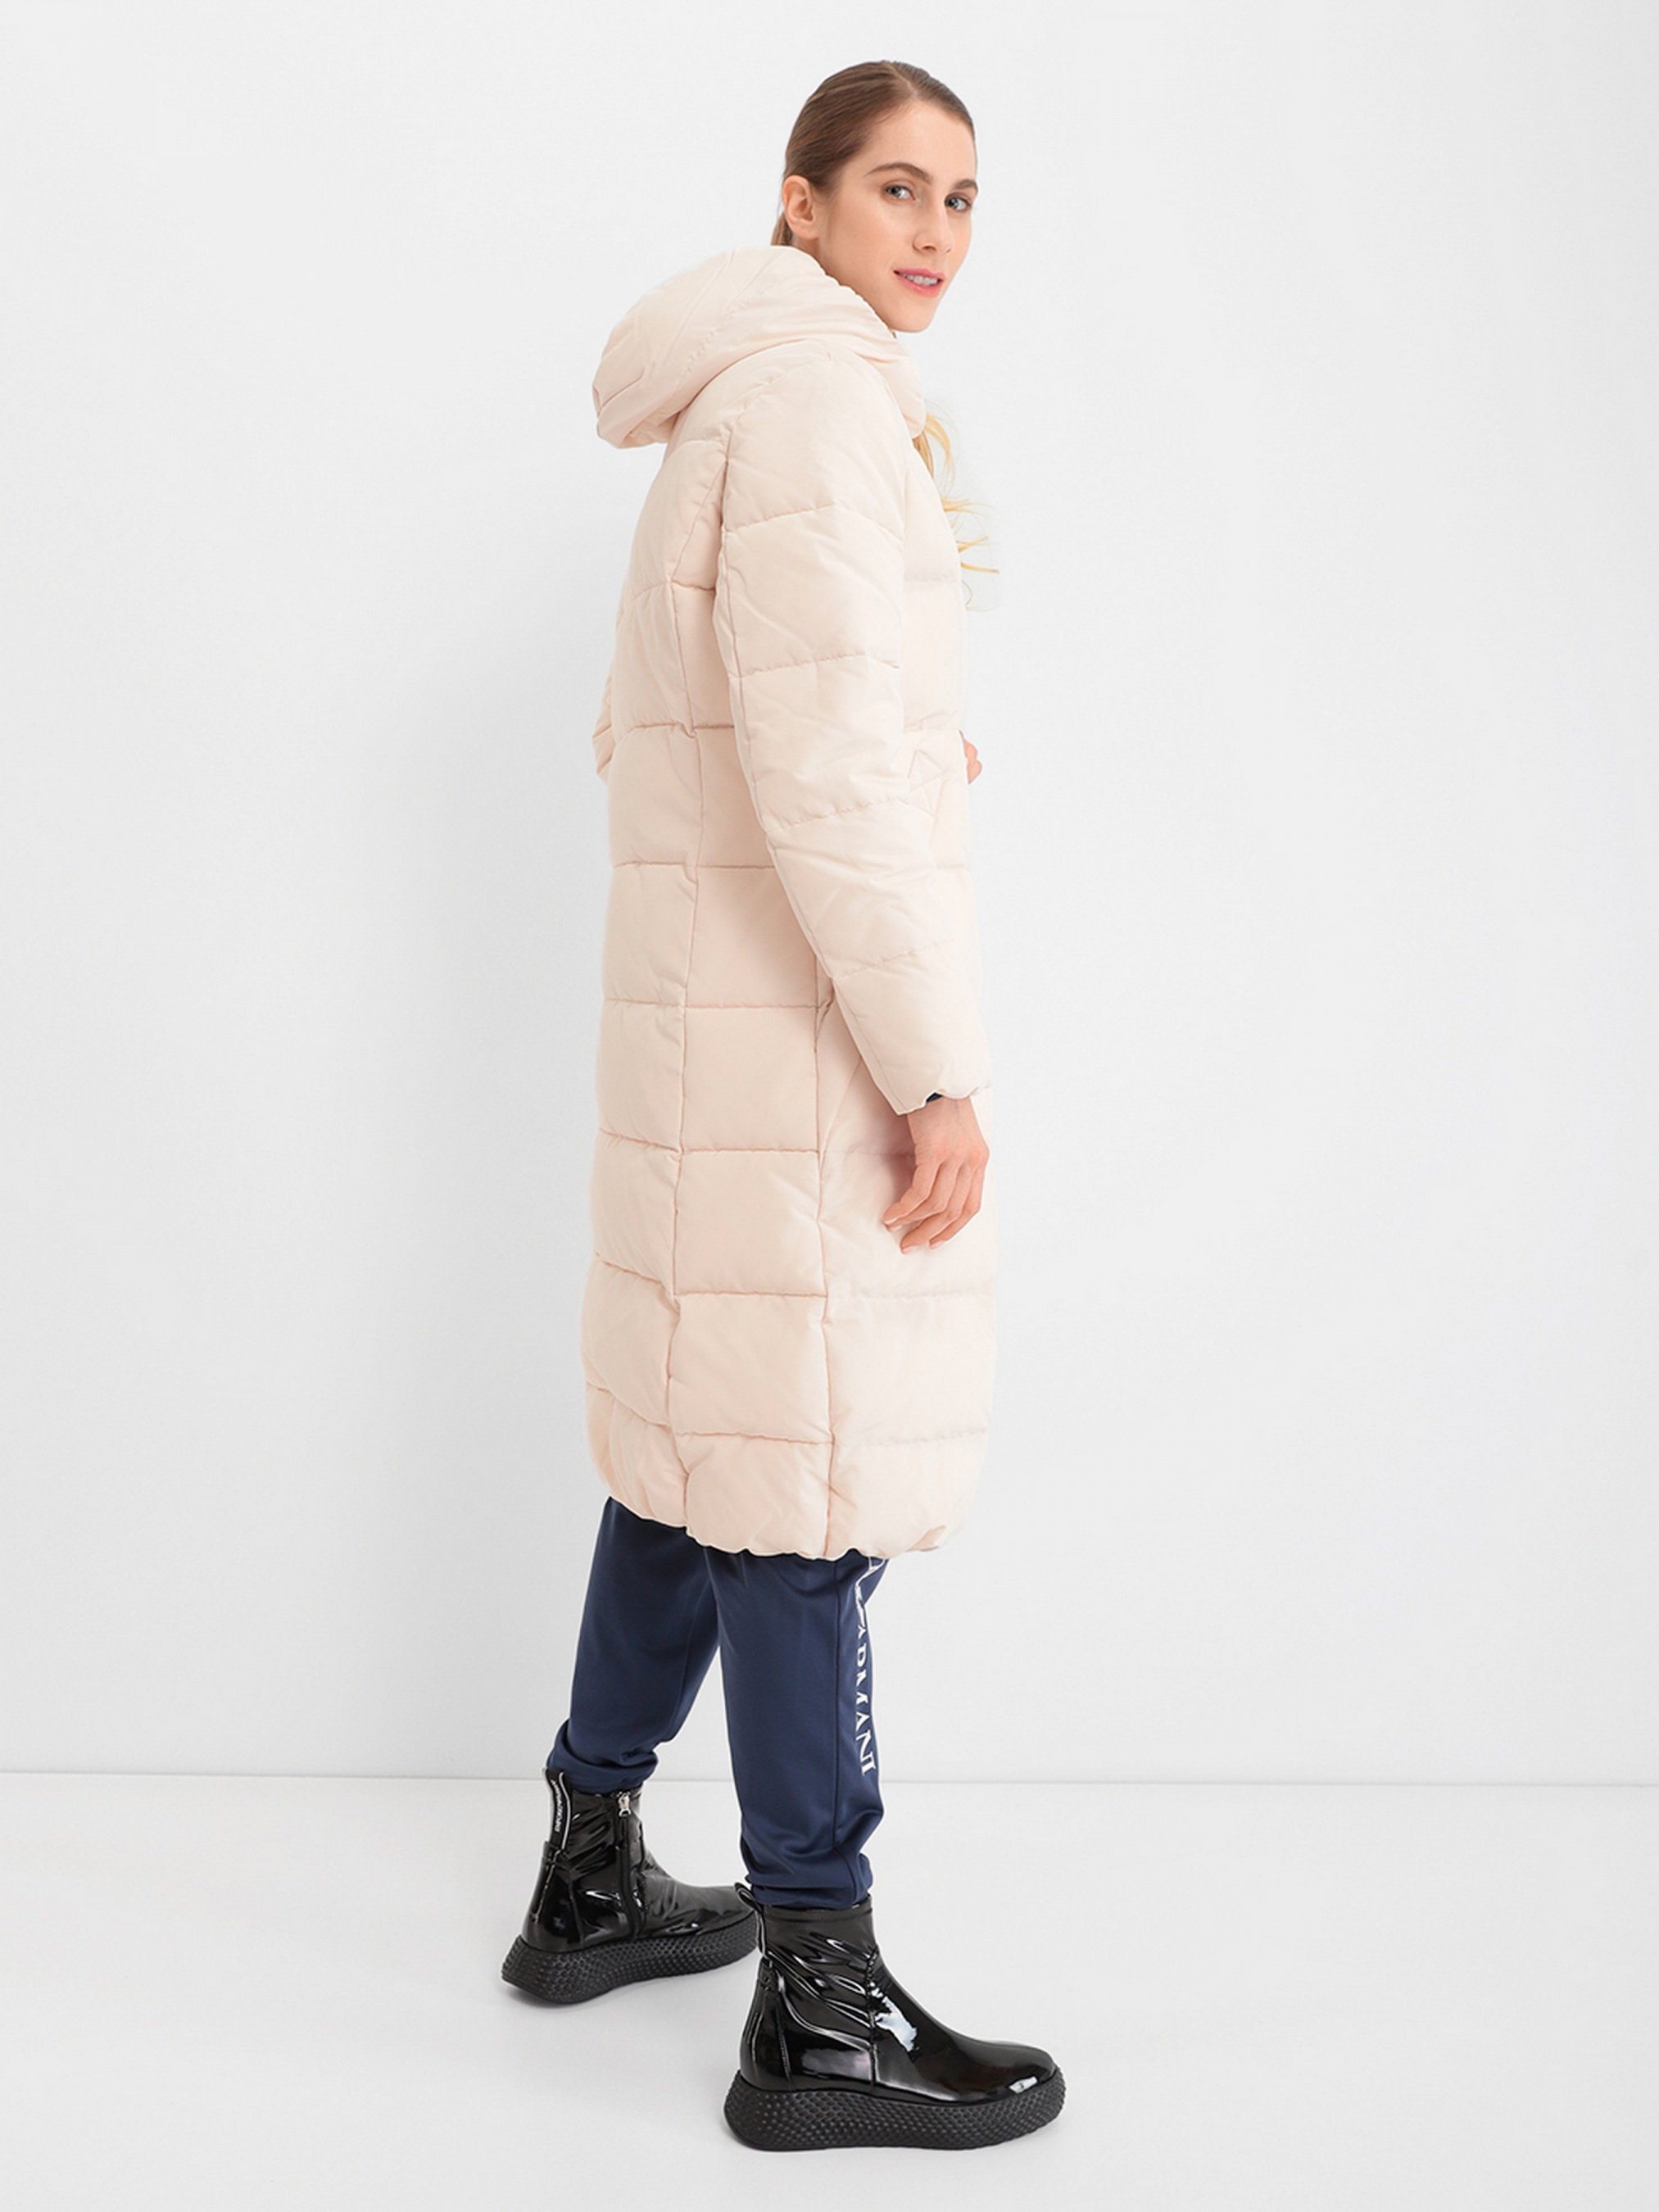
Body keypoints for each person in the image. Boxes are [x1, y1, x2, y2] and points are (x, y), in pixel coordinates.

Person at [501, 60, 1065, 2153]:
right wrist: (933, 1072)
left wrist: (906, 750)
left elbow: (720, 721)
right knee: (802, 1500)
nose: (933, 232)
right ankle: (820, 2003)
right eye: (895, 189)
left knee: (688, 1455)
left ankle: (585, 1869)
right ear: (800, 205)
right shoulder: (822, 406)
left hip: (702, 1033)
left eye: (961, 198)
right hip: (799, 1039)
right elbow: (820, 777)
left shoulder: (738, 399)